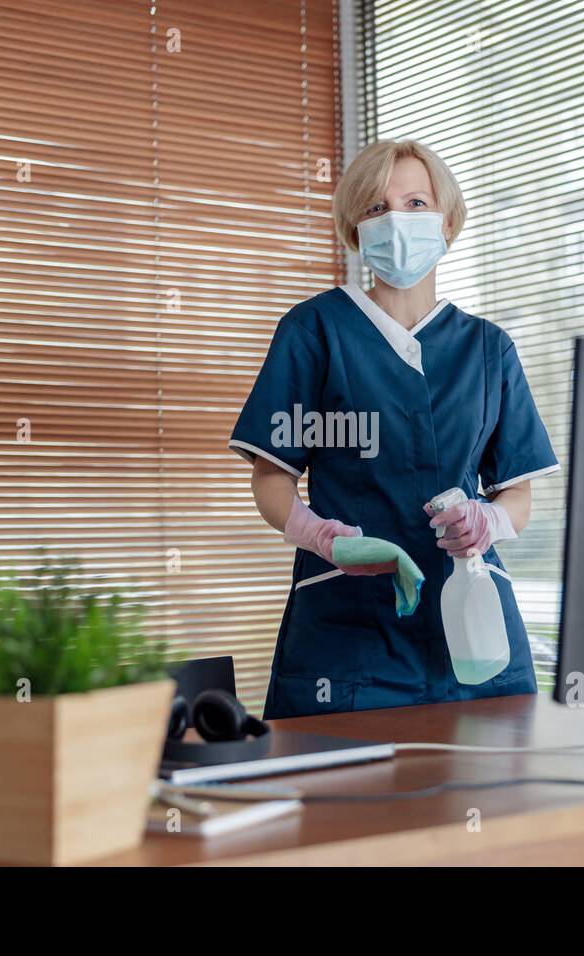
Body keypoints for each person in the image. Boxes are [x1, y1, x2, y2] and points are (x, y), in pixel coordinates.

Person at [229, 139, 559, 719]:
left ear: (447, 219)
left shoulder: (488, 348)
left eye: (415, 202)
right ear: (356, 230)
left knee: (494, 798)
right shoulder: (315, 331)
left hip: (477, 634)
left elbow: (519, 491)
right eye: (377, 208)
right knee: (345, 803)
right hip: (349, 636)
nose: (397, 221)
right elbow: (270, 477)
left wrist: (490, 519)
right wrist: (319, 534)